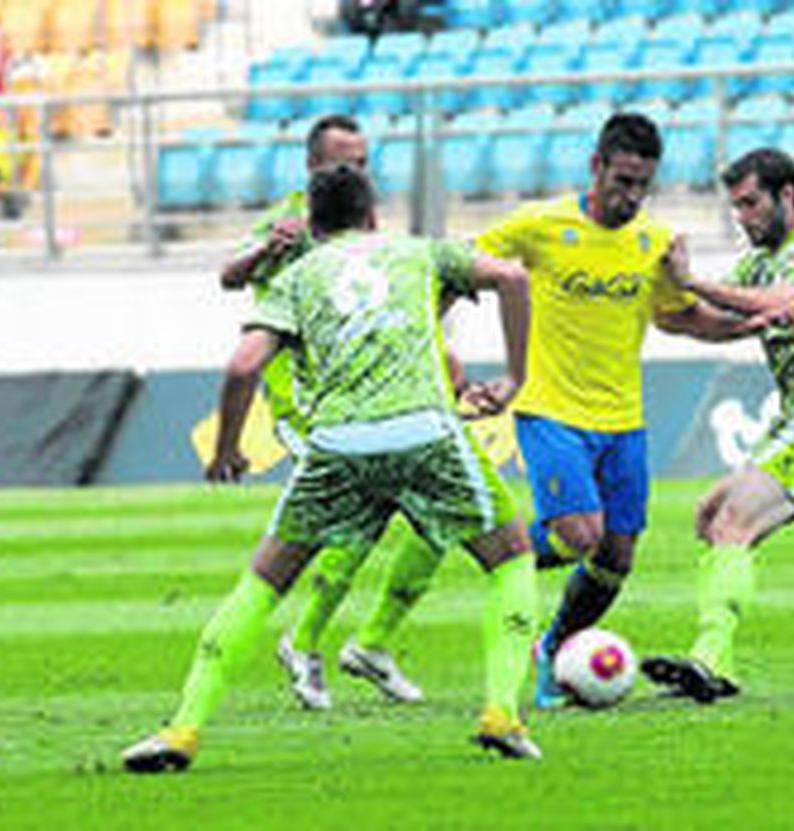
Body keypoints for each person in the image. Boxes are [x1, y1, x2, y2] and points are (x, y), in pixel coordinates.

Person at [121, 164, 542, 771]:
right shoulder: (418, 252)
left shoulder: (297, 276)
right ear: (374, 215)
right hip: (423, 430)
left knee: (263, 583)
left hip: (337, 446)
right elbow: (512, 275)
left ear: (315, 225)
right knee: (511, 557)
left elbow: (243, 366)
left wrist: (226, 450)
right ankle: (502, 713)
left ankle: (183, 728)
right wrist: (515, 376)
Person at [476, 112, 750, 709]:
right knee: (580, 534)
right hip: (549, 408)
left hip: (623, 419)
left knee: (617, 555)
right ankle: (501, 548)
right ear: (596, 166)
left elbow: (678, 317)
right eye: (621, 180)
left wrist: (747, 326)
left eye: (641, 185)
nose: (630, 197)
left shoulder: (652, 242)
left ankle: (551, 645)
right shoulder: (539, 224)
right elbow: (466, 261)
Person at [217, 114, 453, 712]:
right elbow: (228, 275)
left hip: (372, 394)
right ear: (312, 167)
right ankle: (314, 641)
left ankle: (357, 642)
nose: (358, 172)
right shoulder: (290, 221)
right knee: (372, 512)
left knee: (433, 519)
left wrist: (450, 371)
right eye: (345, 161)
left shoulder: (362, 224)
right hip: (309, 407)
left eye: (365, 161)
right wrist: (266, 248)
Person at [639, 148, 794, 703]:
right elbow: (706, 325)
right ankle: (715, 660)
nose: (741, 217)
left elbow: (778, 300)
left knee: (734, 523)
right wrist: (655, 288)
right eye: (735, 206)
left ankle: (709, 659)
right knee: (710, 517)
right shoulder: (759, 263)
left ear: (786, 195)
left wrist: (693, 281)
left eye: (750, 204)